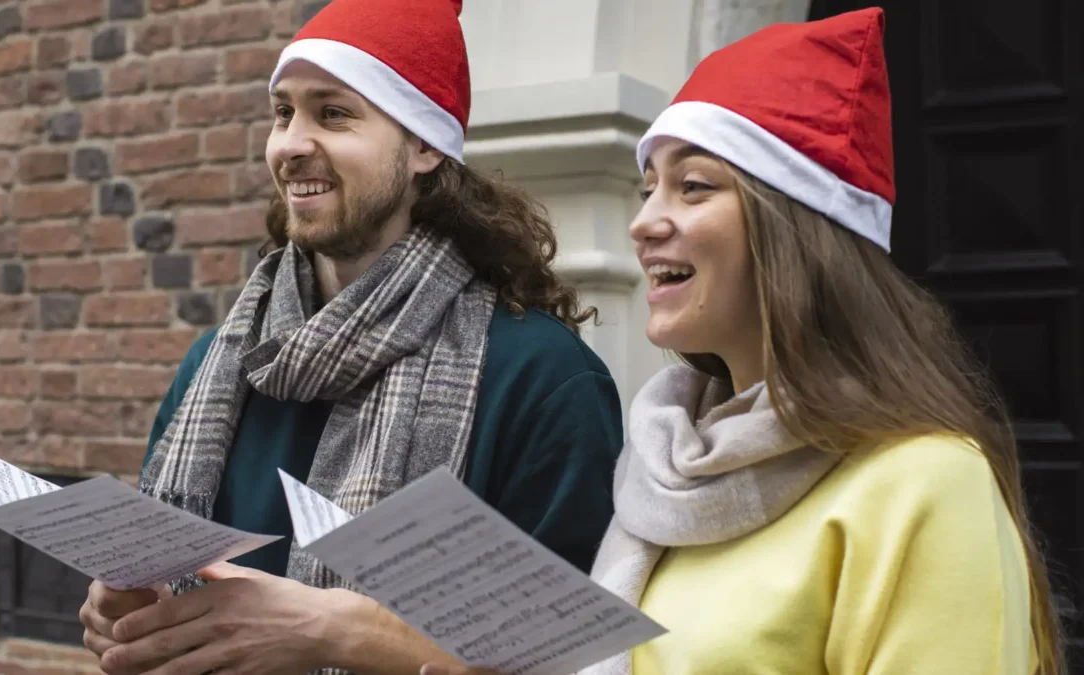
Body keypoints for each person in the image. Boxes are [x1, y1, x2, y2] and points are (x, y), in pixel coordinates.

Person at [422, 7, 1064, 675]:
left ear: (793, 229)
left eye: (692, 186)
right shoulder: (662, 468)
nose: (643, 222)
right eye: (648, 190)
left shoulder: (925, 482)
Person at [76, 0, 624, 672]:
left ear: (425, 145)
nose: (292, 143)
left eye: (333, 113)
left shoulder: (541, 379)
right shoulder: (215, 364)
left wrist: (333, 629)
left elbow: (564, 656)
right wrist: (128, 613)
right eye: (283, 112)